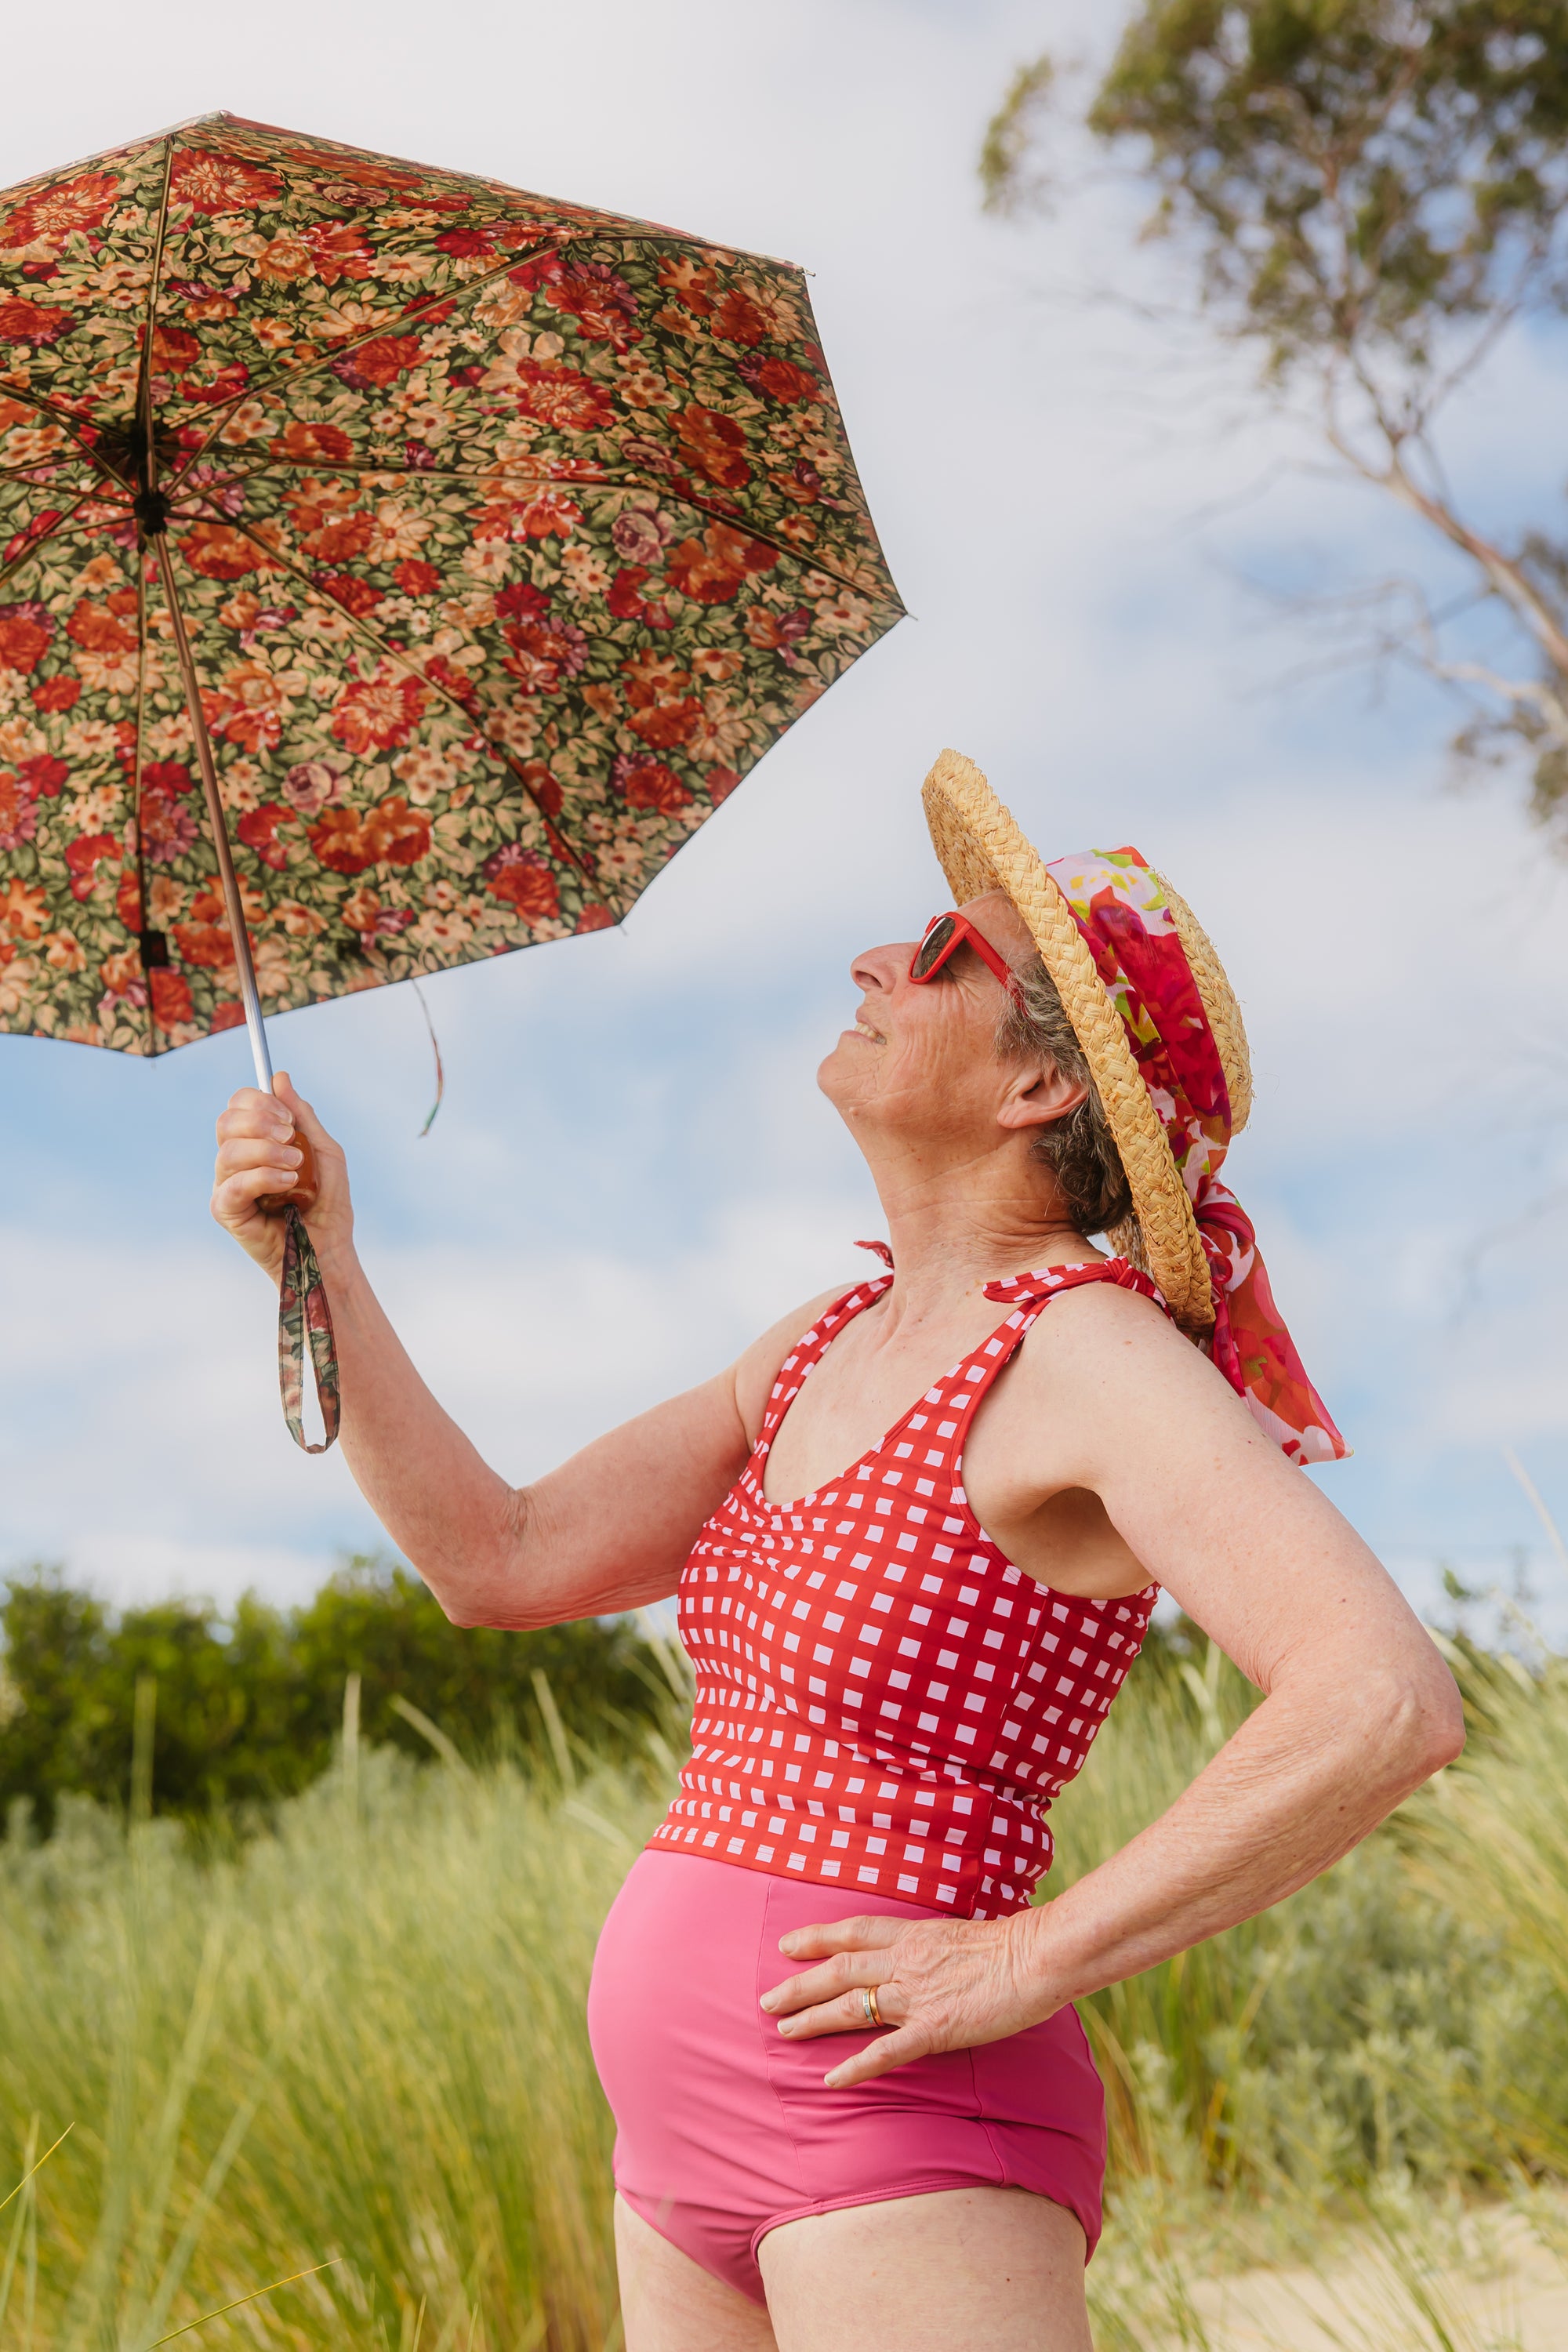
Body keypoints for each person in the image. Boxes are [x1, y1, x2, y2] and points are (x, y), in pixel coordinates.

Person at [211, 750, 1463, 2352]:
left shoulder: (1084, 1352)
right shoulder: (817, 1340)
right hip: (675, 2149)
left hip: (901, 2129)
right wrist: (318, 1259)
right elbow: (498, 1559)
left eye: (941, 953)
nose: (874, 960)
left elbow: (1381, 1699)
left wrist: (1026, 1960)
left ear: (1041, 1086)